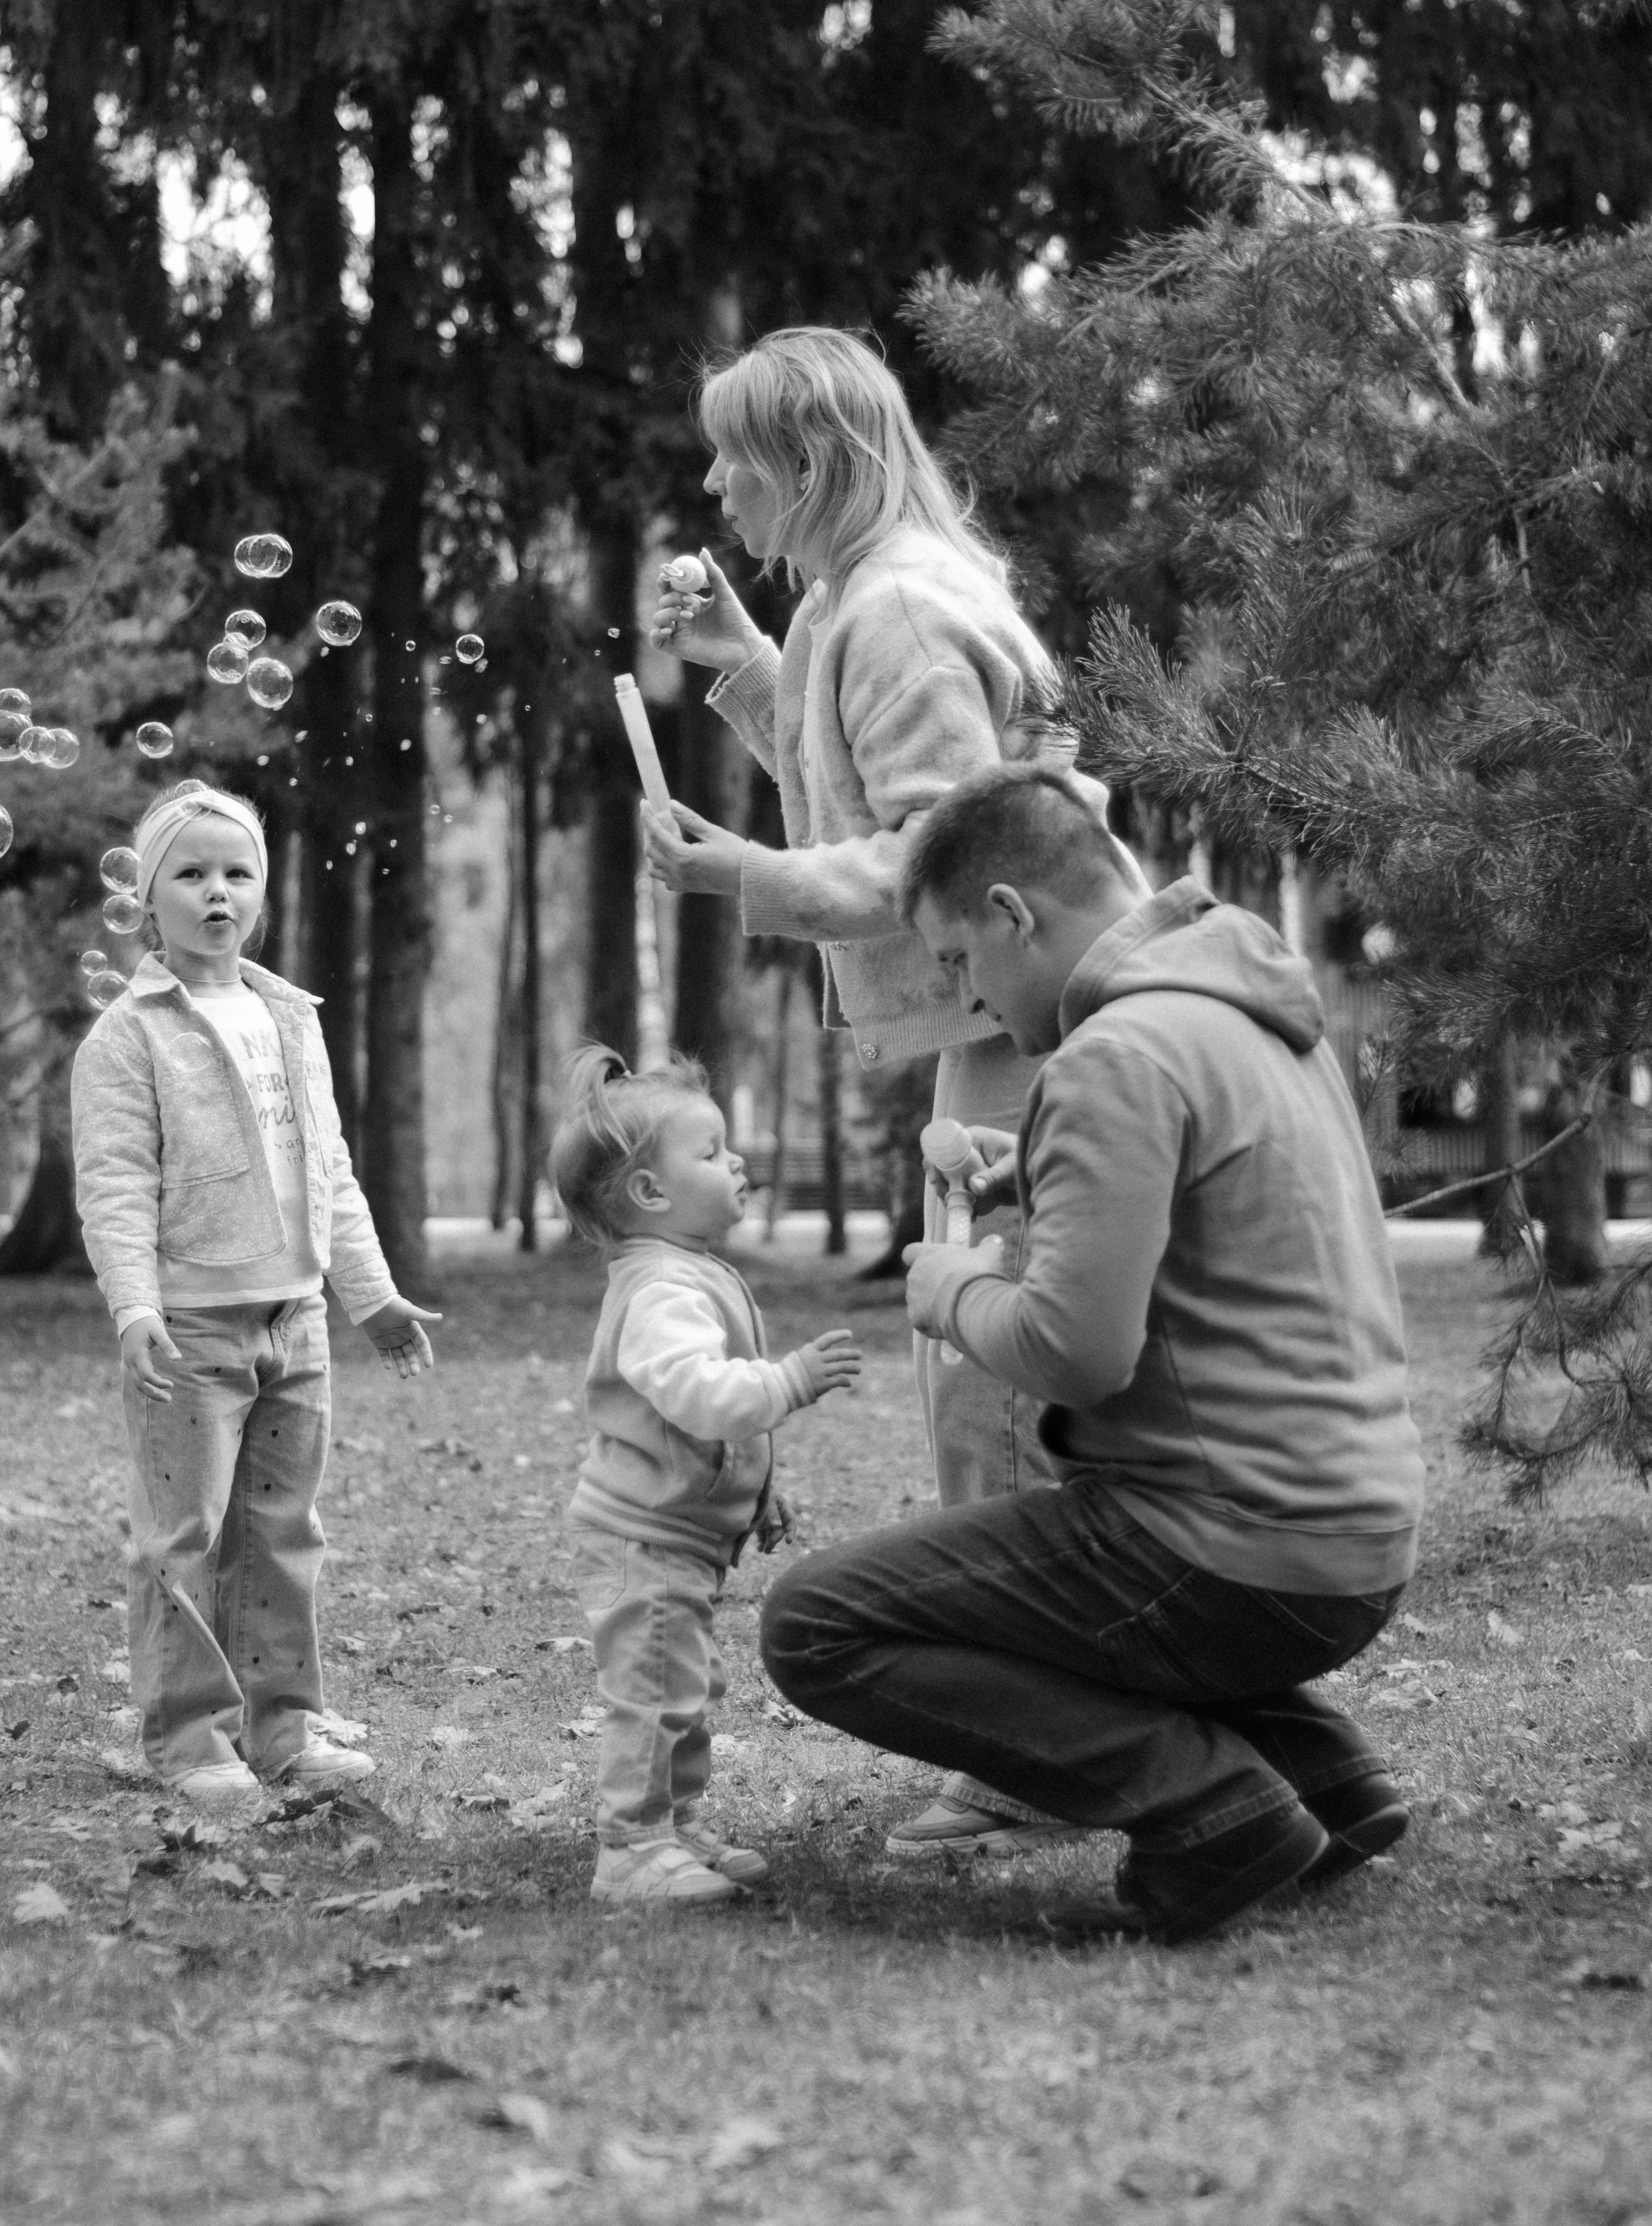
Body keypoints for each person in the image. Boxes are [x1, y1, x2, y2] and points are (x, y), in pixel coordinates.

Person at [759, 762, 1426, 1945]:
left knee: (818, 1623)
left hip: (1231, 1550)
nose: (963, 996)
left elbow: (1074, 1354)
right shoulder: (1244, 1011)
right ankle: (1325, 1777)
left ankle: (1209, 1806)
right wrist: (1036, 1171)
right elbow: (1227, 1201)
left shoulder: (1112, 1057)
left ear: (1013, 911)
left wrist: (956, 1286)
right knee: (1040, 1573)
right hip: (1354, 1537)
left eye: (958, 961)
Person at [645, 322, 1138, 1859]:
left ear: (811, 461)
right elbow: (869, 766)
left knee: (996, 1399)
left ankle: (1031, 1757)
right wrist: (742, 666)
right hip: (1009, 1019)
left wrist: (751, 876)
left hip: (1022, 1031)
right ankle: (1059, 1729)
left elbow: (947, 847)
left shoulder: (900, 609)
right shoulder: (880, 592)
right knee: (989, 1391)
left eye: (738, 454)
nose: (717, 483)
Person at [72, 783, 440, 1820]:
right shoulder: (126, 1038)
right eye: (189, 874)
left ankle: (281, 1723)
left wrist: (370, 1298)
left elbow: (329, 1168)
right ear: (149, 902)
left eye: (237, 872)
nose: (217, 891)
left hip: (297, 1321)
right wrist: (134, 1306)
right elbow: (113, 1185)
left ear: (264, 891)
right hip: (190, 1326)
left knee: (283, 1531)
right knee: (181, 1536)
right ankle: (190, 1736)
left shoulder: (291, 1017)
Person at [553, 1044, 862, 1907]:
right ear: (651, 1193)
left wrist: (759, 1489)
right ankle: (631, 1849)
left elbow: (704, 1424)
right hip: (643, 1533)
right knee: (653, 1690)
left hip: (678, 1528)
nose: (737, 1162)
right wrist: (789, 1383)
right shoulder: (658, 1289)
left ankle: (673, 1824)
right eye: (713, 1151)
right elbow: (698, 1397)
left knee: (682, 1685)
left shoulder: (683, 1272)